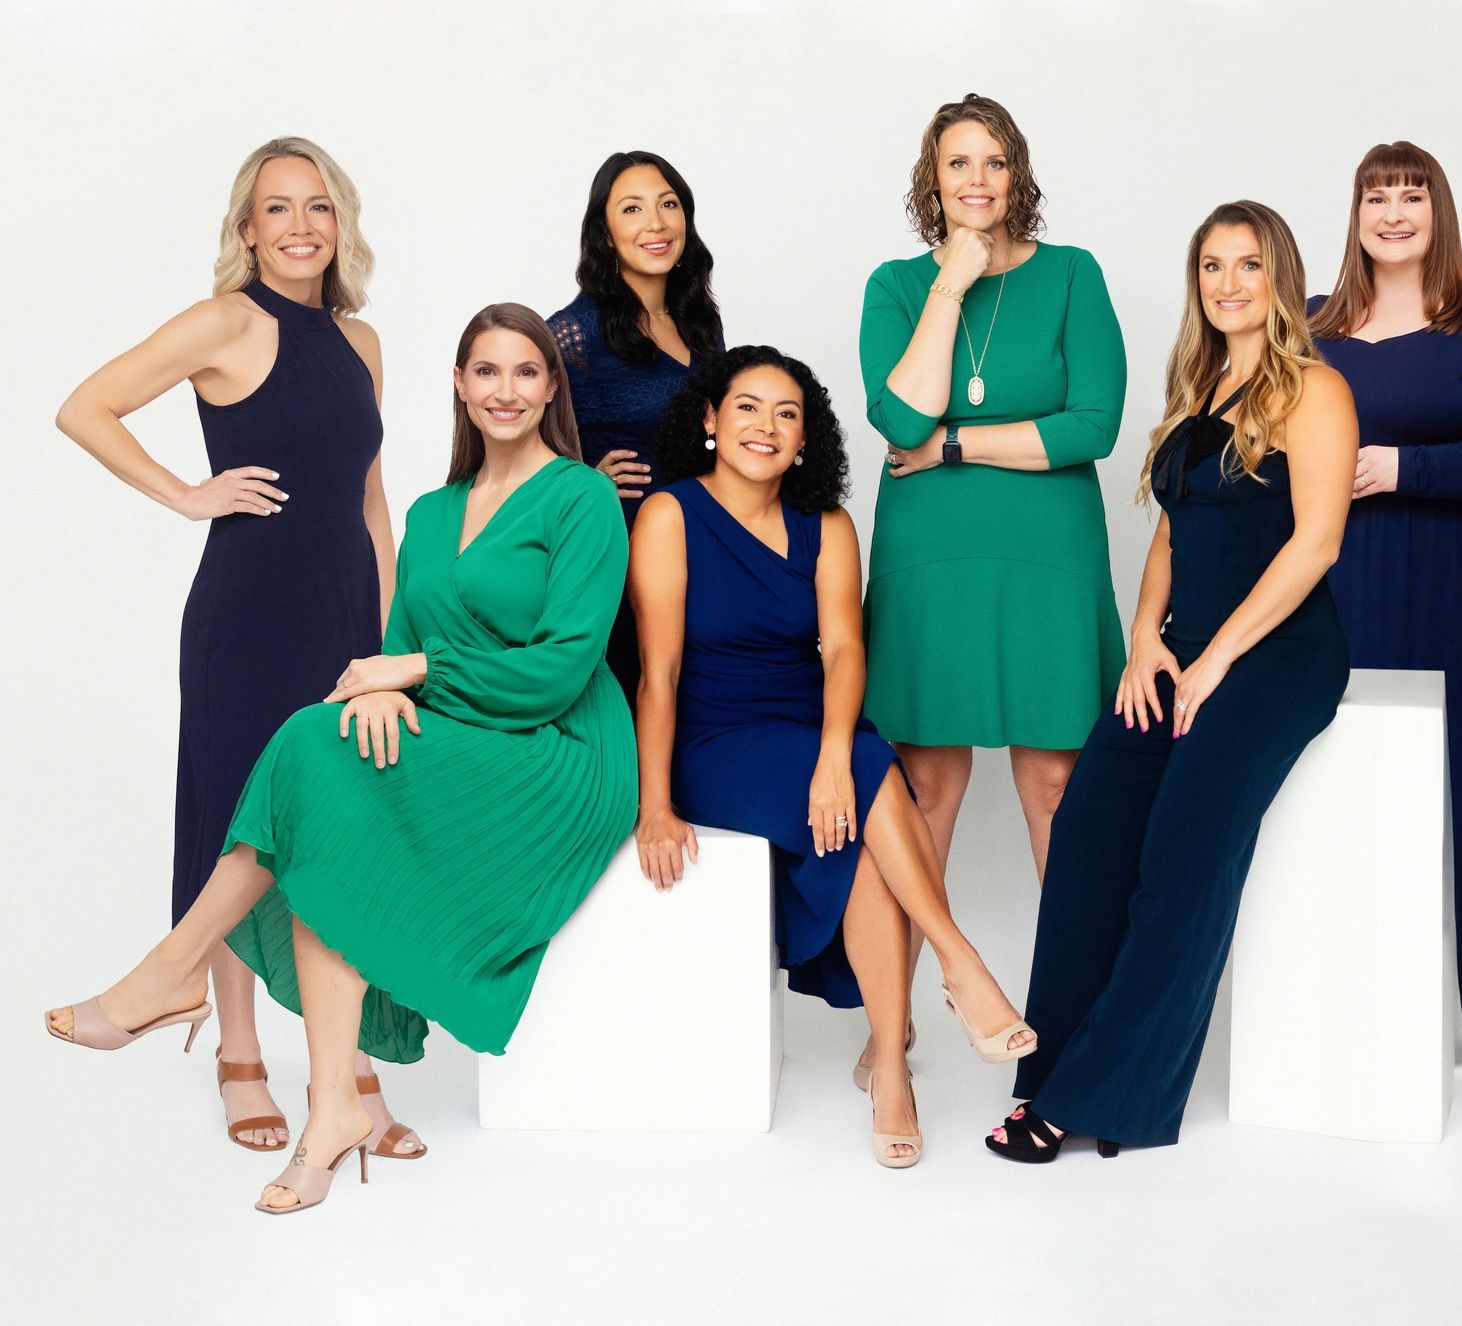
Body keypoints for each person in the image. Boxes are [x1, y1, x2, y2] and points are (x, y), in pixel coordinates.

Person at [47, 305, 638, 1215]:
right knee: (326, 781)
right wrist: (380, 689)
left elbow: (561, 668)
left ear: (552, 388)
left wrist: (414, 670)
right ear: (458, 386)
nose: (506, 391)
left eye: (526, 373)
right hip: (466, 728)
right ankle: (333, 1110)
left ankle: (173, 969)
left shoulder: (580, 497)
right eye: (487, 372)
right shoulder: (436, 512)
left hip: (559, 749)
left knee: (304, 748)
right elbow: (399, 632)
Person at [52, 136, 419, 1156]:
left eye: (319, 207)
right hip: (247, 615)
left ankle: (347, 1071)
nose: (301, 225)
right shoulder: (223, 322)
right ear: (247, 228)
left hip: (346, 618)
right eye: (278, 208)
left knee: (341, 834)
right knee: (238, 826)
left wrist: (390, 641)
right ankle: (239, 1058)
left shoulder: (363, 343)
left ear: (340, 225)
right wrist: (185, 494)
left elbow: (370, 499)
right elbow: (85, 406)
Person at [989, 202, 1355, 1160]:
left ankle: (1109, 1100)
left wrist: (1217, 660)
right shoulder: (1201, 387)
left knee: (1183, 858)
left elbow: (1316, 542)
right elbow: (1169, 529)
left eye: (1248, 266)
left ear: (1281, 275)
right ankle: (1051, 1072)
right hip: (1181, 647)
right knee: (1087, 833)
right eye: (1210, 268)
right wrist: (1147, 642)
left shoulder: (1315, 390)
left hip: (1275, 654)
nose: (1229, 285)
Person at [631, 346, 1037, 1168]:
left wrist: (828, 755)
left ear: (807, 438)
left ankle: (890, 1063)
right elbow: (660, 672)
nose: (766, 427)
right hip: (716, 741)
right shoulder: (670, 515)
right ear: (710, 420)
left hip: (810, 729)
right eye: (748, 407)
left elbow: (846, 652)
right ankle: (959, 963)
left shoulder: (830, 525)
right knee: (871, 771)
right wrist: (656, 803)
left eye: (787, 414)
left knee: (861, 826)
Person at [857, 93, 1126, 1083]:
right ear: (933, 180)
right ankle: (895, 1028)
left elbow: (1091, 425)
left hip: (1048, 565)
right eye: (956, 163)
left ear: (1020, 175)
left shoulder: (1071, 276)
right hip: (931, 567)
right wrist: (952, 283)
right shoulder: (896, 285)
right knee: (926, 787)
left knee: (1057, 787)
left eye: (994, 162)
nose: (976, 180)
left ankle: (1070, 1019)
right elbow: (897, 415)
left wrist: (961, 445)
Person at [1307, 141, 1462, 1045]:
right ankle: (1359, 1018)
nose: (1395, 213)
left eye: (1414, 196)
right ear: (1357, 214)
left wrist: (1401, 468)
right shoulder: (1310, 324)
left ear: (1439, 214)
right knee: (1348, 784)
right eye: (1378, 196)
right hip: (1347, 585)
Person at [550, 150, 724, 708]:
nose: (656, 224)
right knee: (635, 708)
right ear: (604, 234)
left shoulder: (701, 323)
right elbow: (514, 453)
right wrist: (583, 480)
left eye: (668, 205)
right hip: (622, 559)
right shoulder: (571, 335)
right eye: (632, 209)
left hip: (703, 545)